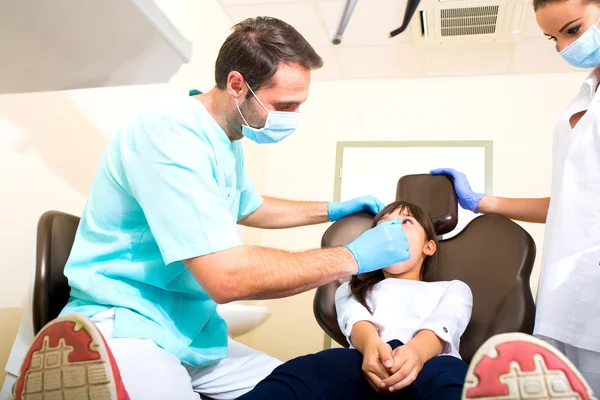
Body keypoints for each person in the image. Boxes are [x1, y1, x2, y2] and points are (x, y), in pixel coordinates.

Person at [13, 17, 413, 400]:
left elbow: (248, 206)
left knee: (303, 386)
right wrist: (353, 257)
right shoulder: (169, 132)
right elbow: (227, 278)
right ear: (237, 84)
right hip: (128, 321)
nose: (294, 118)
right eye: (285, 105)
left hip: (189, 330)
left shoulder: (227, 138)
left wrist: (332, 209)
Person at [432, 0, 600, 396]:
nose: (563, 48)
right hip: (565, 289)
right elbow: (572, 201)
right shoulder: (583, 95)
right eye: (552, 39)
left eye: (572, 30)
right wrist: (481, 202)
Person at [237, 200, 473, 400]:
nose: (392, 230)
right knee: (301, 372)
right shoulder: (351, 289)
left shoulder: (453, 289)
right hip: (366, 357)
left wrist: (416, 354)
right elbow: (357, 322)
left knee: (453, 382)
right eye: (384, 224)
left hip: (432, 359)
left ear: (429, 246)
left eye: (406, 222)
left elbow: (445, 323)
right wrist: (371, 347)